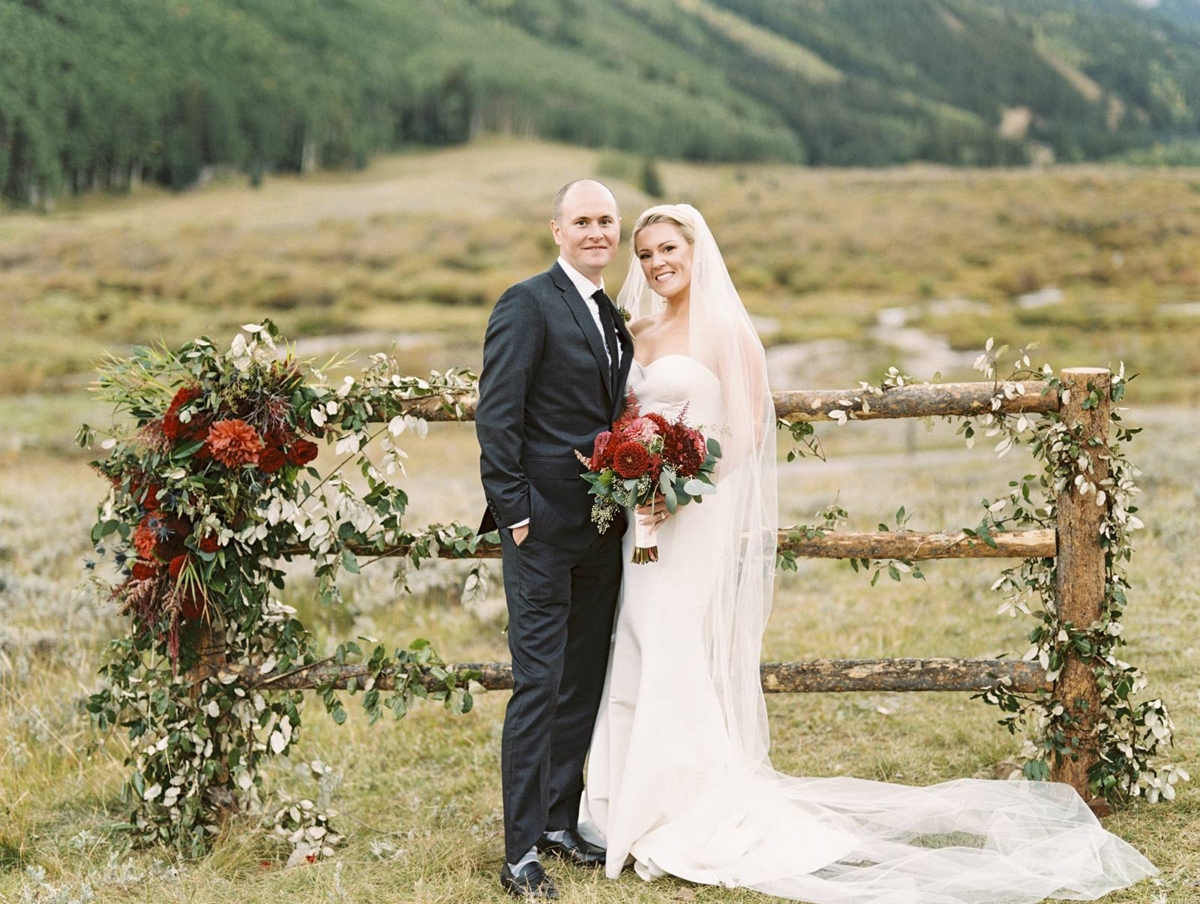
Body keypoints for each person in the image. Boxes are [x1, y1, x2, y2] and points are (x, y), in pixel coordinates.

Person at [579, 203, 1158, 903]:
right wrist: (633, 471)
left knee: (674, 643)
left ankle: (678, 804)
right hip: (645, 519)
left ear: (695, 249)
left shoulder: (729, 331)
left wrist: (683, 490)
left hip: (693, 517)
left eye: (666, 247)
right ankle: (621, 804)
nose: (655, 263)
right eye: (643, 254)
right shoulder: (634, 329)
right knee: (635, 638)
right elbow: (621, 415)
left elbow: (749, 430)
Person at [476, 179, 634, 899]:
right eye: (582, 220)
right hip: (539, 529)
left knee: (583, 678)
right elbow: (498, 413)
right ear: (557, 230)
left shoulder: (611, 313)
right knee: (537, 684)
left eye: (606, 220)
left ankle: (557, 821)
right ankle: (517, 856)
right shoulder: (528, 301)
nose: (595, 231)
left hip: (602, 528)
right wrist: (515, 512)